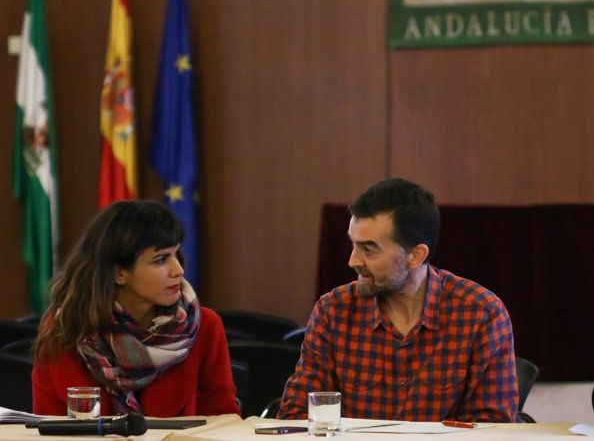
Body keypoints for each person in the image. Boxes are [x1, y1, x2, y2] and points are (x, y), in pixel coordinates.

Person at [278, 178, 518, 422]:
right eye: (353, 245)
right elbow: (297, 415)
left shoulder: (480, 313)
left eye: (368, 249)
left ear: (416, 255)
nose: (353, 261)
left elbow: (492, 428)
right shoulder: (333, 311)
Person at [32, 200, 240, 417]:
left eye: (176, 255)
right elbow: (48, 427)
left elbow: (223, 422)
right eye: (161, 260)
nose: (178, 270)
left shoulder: (203, 325)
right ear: (118, 273)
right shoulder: (65, 328)